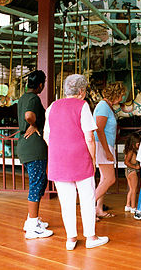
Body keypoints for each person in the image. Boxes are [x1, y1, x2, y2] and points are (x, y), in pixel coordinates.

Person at [44, 74, 108, 250]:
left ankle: (71, 239)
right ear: (81, 91)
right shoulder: (83, 105)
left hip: (59, 161)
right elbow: (89, 137)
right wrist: (93, 159)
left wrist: (59, 149)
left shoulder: (52, 107)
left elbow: (46, 136)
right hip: (80, 159)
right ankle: (91, 237)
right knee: (87, 198)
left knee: (66, 201)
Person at [17, 70, 53, 239]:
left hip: (26, 146)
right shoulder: (33, 98)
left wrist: (32, 123)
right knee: (37, 184)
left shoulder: (23, 98)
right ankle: (32, 225)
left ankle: (32, 220)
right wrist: (35, 124)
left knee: (39, 181)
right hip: (34, 148)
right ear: (40, 85)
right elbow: (29, 115)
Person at [93, 82, 126, 219]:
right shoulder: (103, 106)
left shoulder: (107, 106)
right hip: (102, 145)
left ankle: (98, 209)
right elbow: (99, 130)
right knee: (110, 179)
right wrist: (107, 151)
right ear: (116, 94)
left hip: (105, 145)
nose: (123, 97)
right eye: (121, 95)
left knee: (104, 179)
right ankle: (88, 207)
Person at [123, 133, 141, 213]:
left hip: (128, 171)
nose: (139, 145)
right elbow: (126, 162)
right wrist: (135, 167)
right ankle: (133, 207)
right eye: (138, 143)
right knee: (134, 190)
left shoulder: (129, 150)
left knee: (131, 189)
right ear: (134, 143)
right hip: (132, 171)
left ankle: (128, 205)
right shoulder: (131, 151)